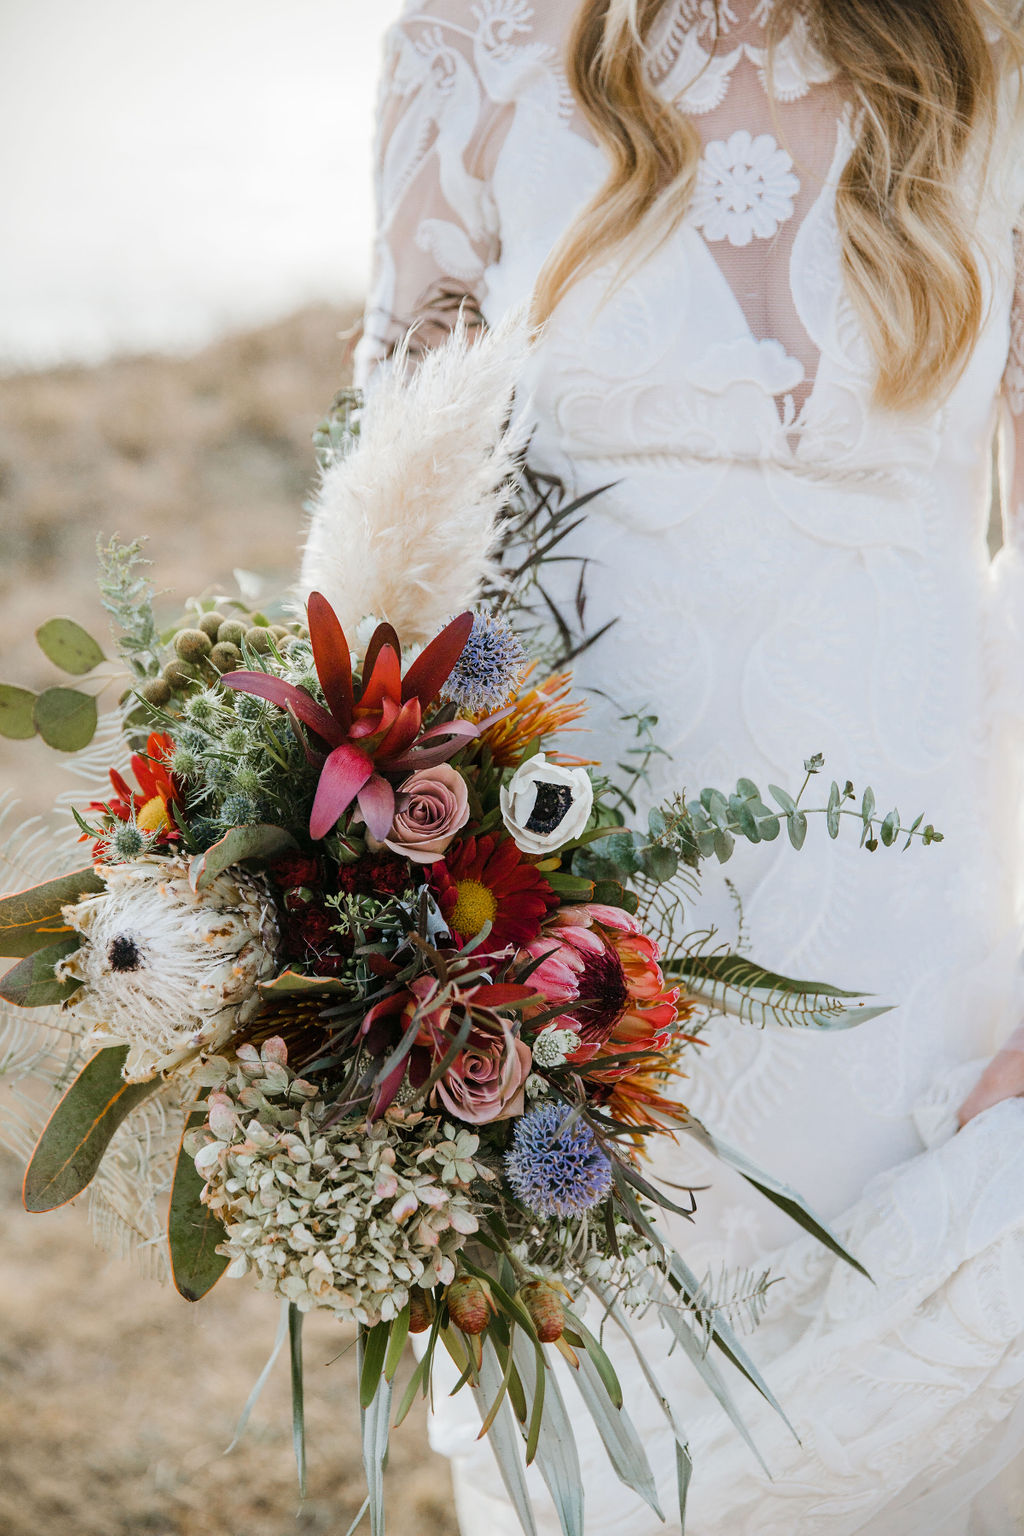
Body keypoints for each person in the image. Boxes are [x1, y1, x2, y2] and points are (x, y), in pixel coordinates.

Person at [352, 2, 1024, 1530]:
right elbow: (389, 523)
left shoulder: (1003, 57)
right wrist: (351, 930)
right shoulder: (476, 37)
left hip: (904, 968)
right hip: (556, 964)